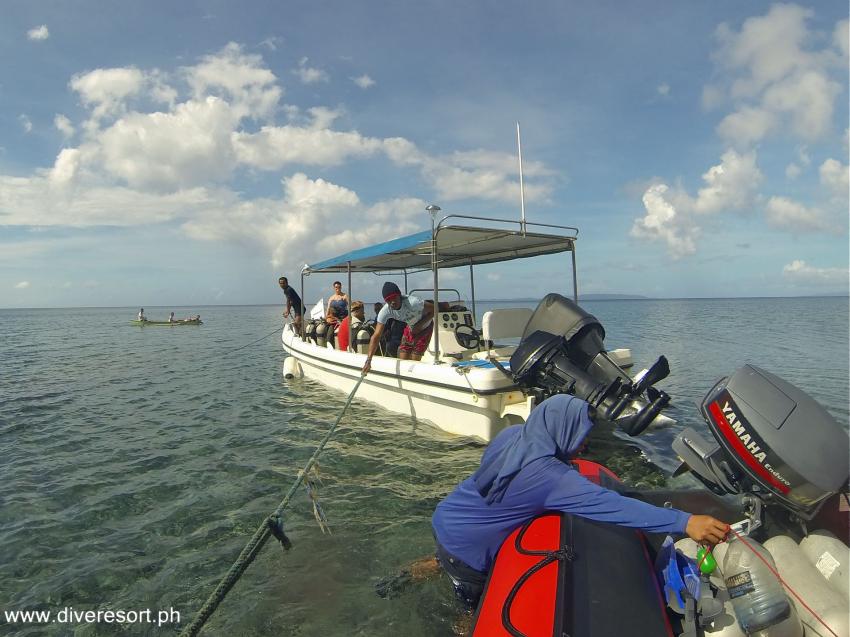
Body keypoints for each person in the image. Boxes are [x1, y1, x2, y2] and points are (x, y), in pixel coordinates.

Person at [429, 394, 729, 609]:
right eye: (582, 434)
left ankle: (427, 566)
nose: (586, 443)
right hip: (467, 551)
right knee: (468, 613)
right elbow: (613, 507)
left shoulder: (515, 436)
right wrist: (684, 521)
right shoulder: (550, 476)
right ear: (564, 429)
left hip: (447, 517)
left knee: (444, 561)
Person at [361, 282, 434, 374]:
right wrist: (368, 361)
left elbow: (434, 309)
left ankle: (413, 378)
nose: (392, 302)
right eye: (388, 300)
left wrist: (420, 325)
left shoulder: (413, 302)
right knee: (403, 358)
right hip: (410, 327)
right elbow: (376, 335)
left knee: (414, 360)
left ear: (399, 295)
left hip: (425, 327)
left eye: (394, 297)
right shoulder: (386, 311)